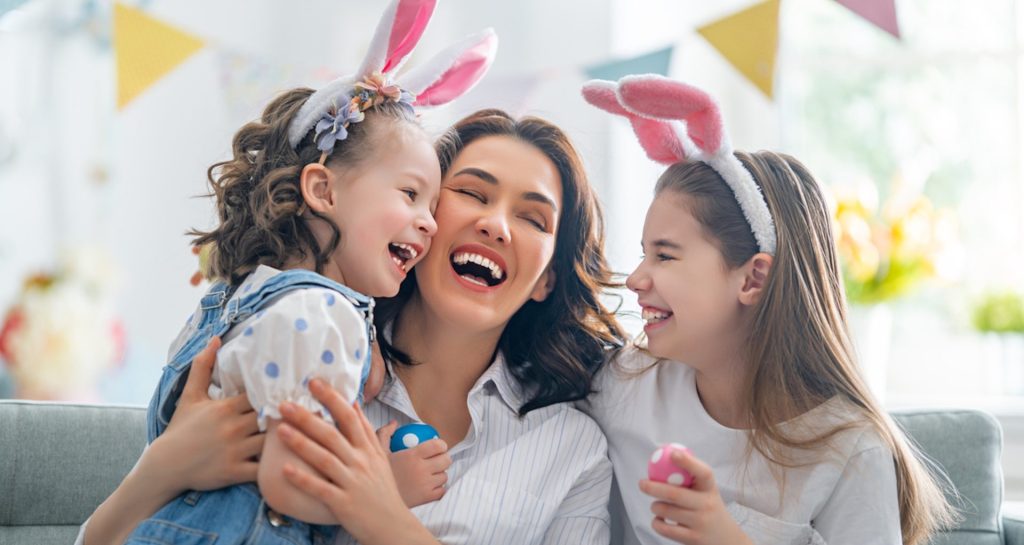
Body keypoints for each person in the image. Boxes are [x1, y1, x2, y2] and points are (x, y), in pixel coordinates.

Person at [79, 0, 497, 542]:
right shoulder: (321, 316)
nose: (430, 224)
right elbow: (286, 480)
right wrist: (385, 488)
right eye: (411, 194)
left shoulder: (236, 303)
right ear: (322, 190)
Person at [580, 74, 957, 545]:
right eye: (643, 253)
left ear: (753, 278)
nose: (636, 279)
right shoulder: (623, 387)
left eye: (665, 255)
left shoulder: (848, 449)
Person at [273, 108, 629, 544]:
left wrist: (379, 514)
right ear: (419, 216)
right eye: (473, 193)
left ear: (546, 280)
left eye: (533, 219)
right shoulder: (309, 347)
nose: (495, 225)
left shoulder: (573, 449)